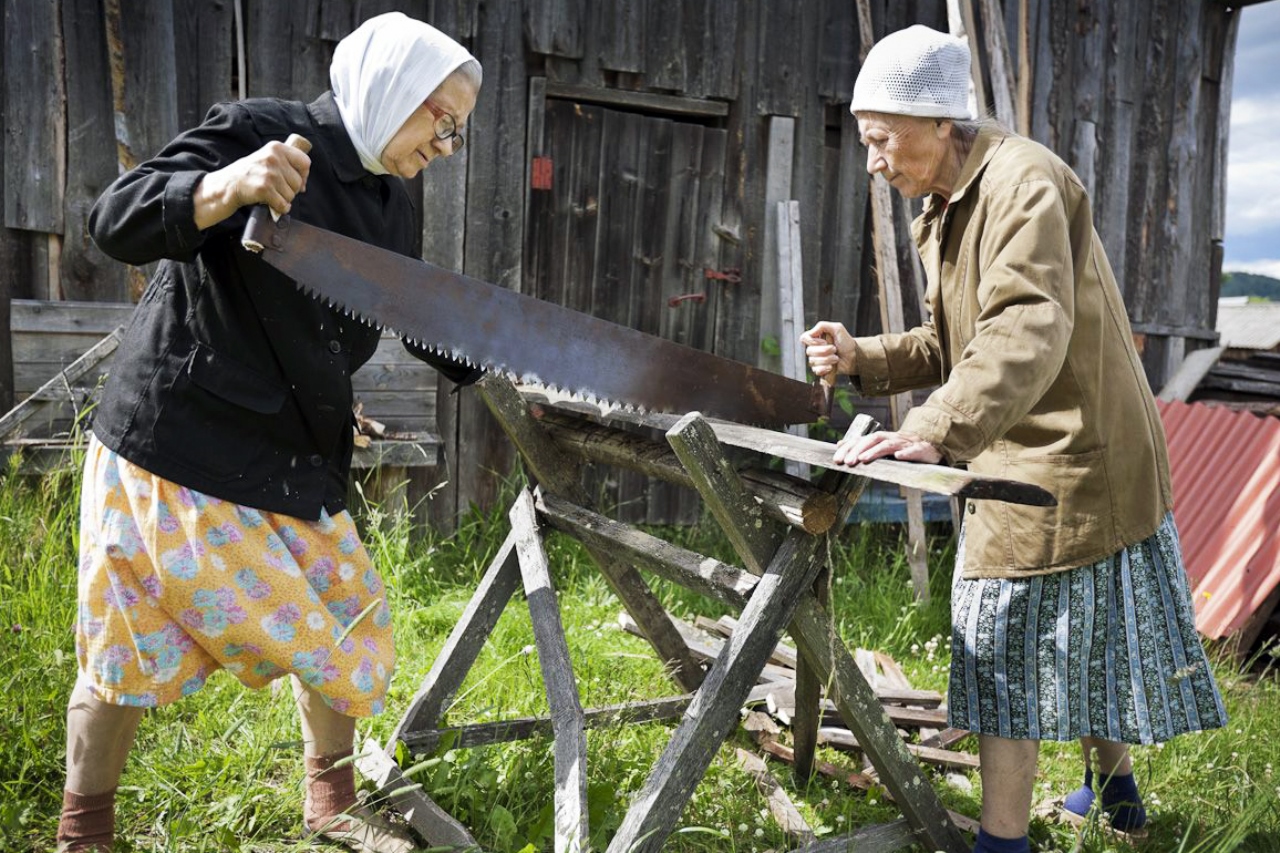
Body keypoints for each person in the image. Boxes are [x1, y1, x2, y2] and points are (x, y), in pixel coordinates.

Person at [56, 13, 481, 853]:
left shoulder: (392, 204)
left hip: (286, 453)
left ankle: (331, 801)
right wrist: (231, 185)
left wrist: (509, 374)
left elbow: (392, 314)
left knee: (348, 613)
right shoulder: (259, 130)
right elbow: (114, 219)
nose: (449, 142)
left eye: (459, 130)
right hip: (174, 446)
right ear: (395, 86)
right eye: (445, 118)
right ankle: (83, 832)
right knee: (123, 651)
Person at [801, 25, 1227, 853]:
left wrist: (934, 426)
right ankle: (1121, 801)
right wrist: (863, 356)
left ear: (939, 121)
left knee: (998, 650)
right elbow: (953, 341)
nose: (873, 161)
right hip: (1027, 438)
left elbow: (1025, 329)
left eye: (882, 139)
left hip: (1073, 450)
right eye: (865, 141)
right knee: (1089, 630)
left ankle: (1002, 842)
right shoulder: (949, 203)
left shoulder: (1025, 185)